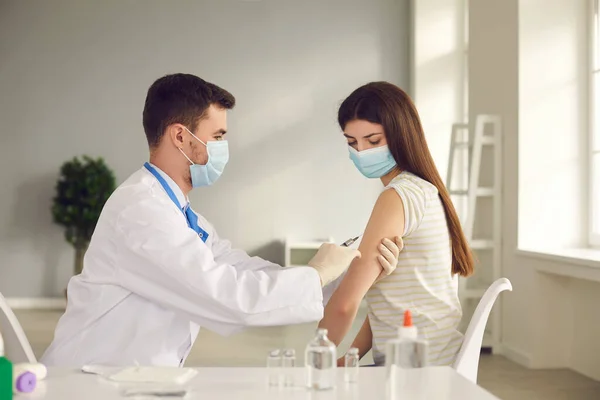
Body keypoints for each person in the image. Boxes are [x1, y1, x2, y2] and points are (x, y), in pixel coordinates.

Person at [41, 74, 403, 367]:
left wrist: (339, 278)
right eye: (216, 137)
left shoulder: (177, 211)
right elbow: (230, 299)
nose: (222, 148)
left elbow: (242, 271)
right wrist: (318, 273)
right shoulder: (142, 212)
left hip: (129, 377)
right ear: (180, 136)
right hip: (88, 382)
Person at [317, 81, 475, 367]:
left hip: (418, 368)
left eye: (373, 141)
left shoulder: (398, 196)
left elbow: (344, 304)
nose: (362, 151)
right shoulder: (423, 190)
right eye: (352, 142)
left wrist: (315, 361)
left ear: (401, 134)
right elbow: (388, 303)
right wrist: (350, 358)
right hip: (430, 359)